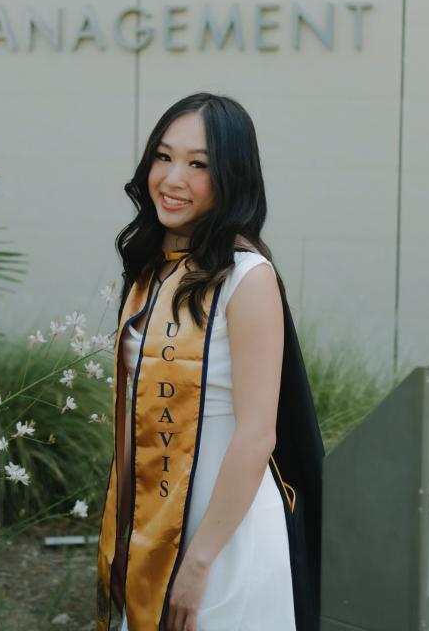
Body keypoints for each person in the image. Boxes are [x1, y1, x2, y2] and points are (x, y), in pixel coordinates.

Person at [96, 92, 325, 631]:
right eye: (163, 156)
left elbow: (255, 436)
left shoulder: (247, 278)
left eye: (198, 164)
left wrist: (199, 562)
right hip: (154, 526)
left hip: (228, 538)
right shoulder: (152, 269)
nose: (173, 177)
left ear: (231, 177)